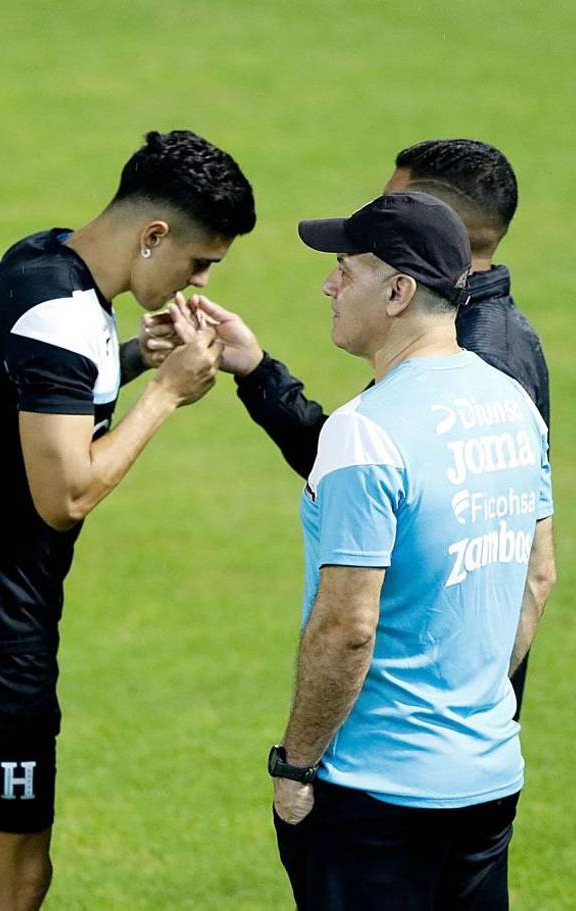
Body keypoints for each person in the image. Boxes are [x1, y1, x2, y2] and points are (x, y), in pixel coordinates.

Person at [0, 130, 255, 911]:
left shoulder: (37, 259)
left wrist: (129, 358)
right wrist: (166, 395)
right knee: (14, 877)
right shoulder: (62, 314)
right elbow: (68, 496)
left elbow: (30, 391)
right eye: (199, 262)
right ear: (153, 235)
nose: (199, 279)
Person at [160, 140, 550, 719]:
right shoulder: (499, 346)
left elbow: (526, 572)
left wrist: (461, 717)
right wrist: (259, 371)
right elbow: (380, 480)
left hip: (410, 738)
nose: (370, 220)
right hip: (464, 741)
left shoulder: (471, 361)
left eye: (389, 208)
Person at [258, 191, 556, 909]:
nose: (329, 285)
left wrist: (295, 766)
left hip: (377, 796)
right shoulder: (511, 403)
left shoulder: (366, 432)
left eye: (344, 269)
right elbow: (538, 576)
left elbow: (347, 629)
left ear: (397, 291)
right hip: (487, 779)